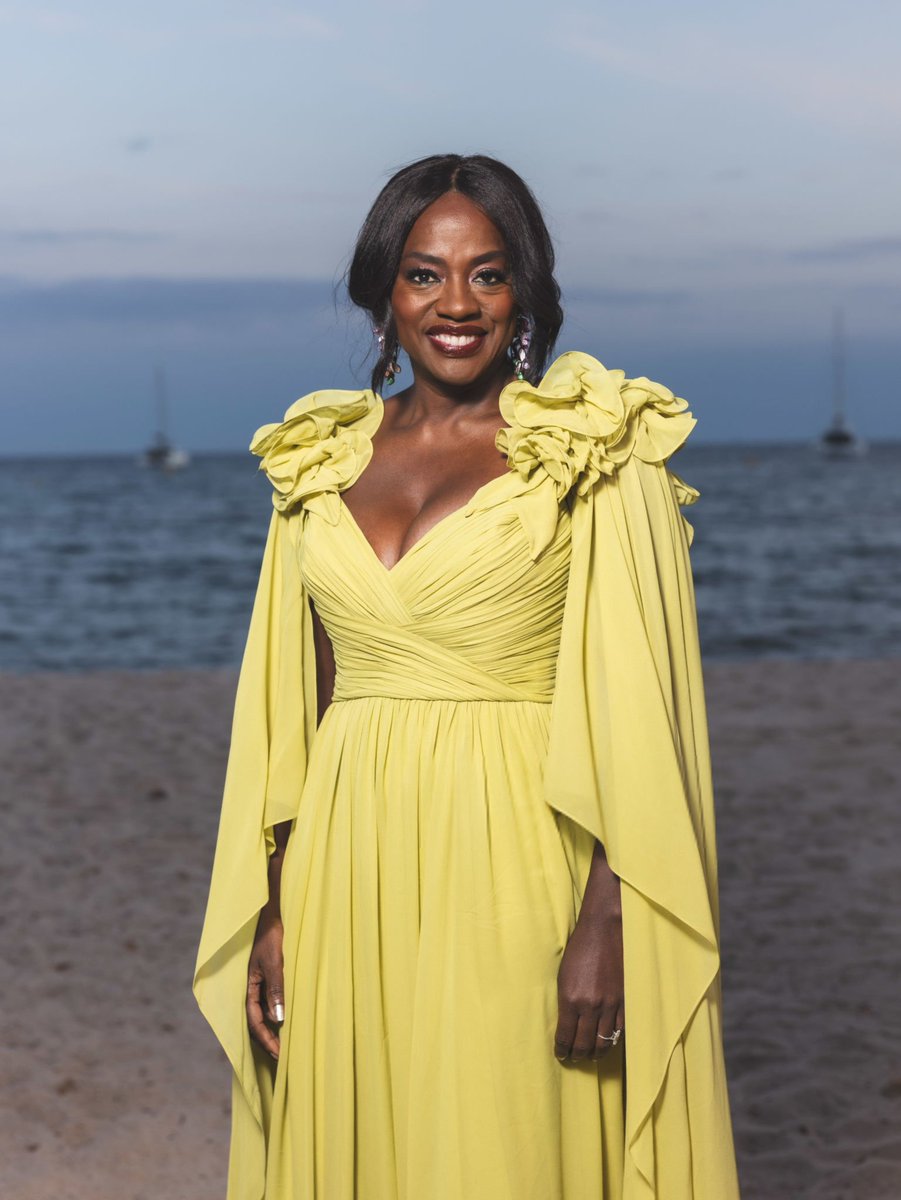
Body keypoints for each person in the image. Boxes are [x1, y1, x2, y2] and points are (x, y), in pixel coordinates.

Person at [193, 153, 740, 1200]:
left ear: (523, 292)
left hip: (518, 856)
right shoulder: (320, 461)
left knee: (504, 1149)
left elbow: (643, 710)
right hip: (344, 866)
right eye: (423, 273)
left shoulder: (589, 452)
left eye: (487, 275)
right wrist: (270, 907)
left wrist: (610, 919)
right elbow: (301, 699)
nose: (456, 304)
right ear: (382, 291)